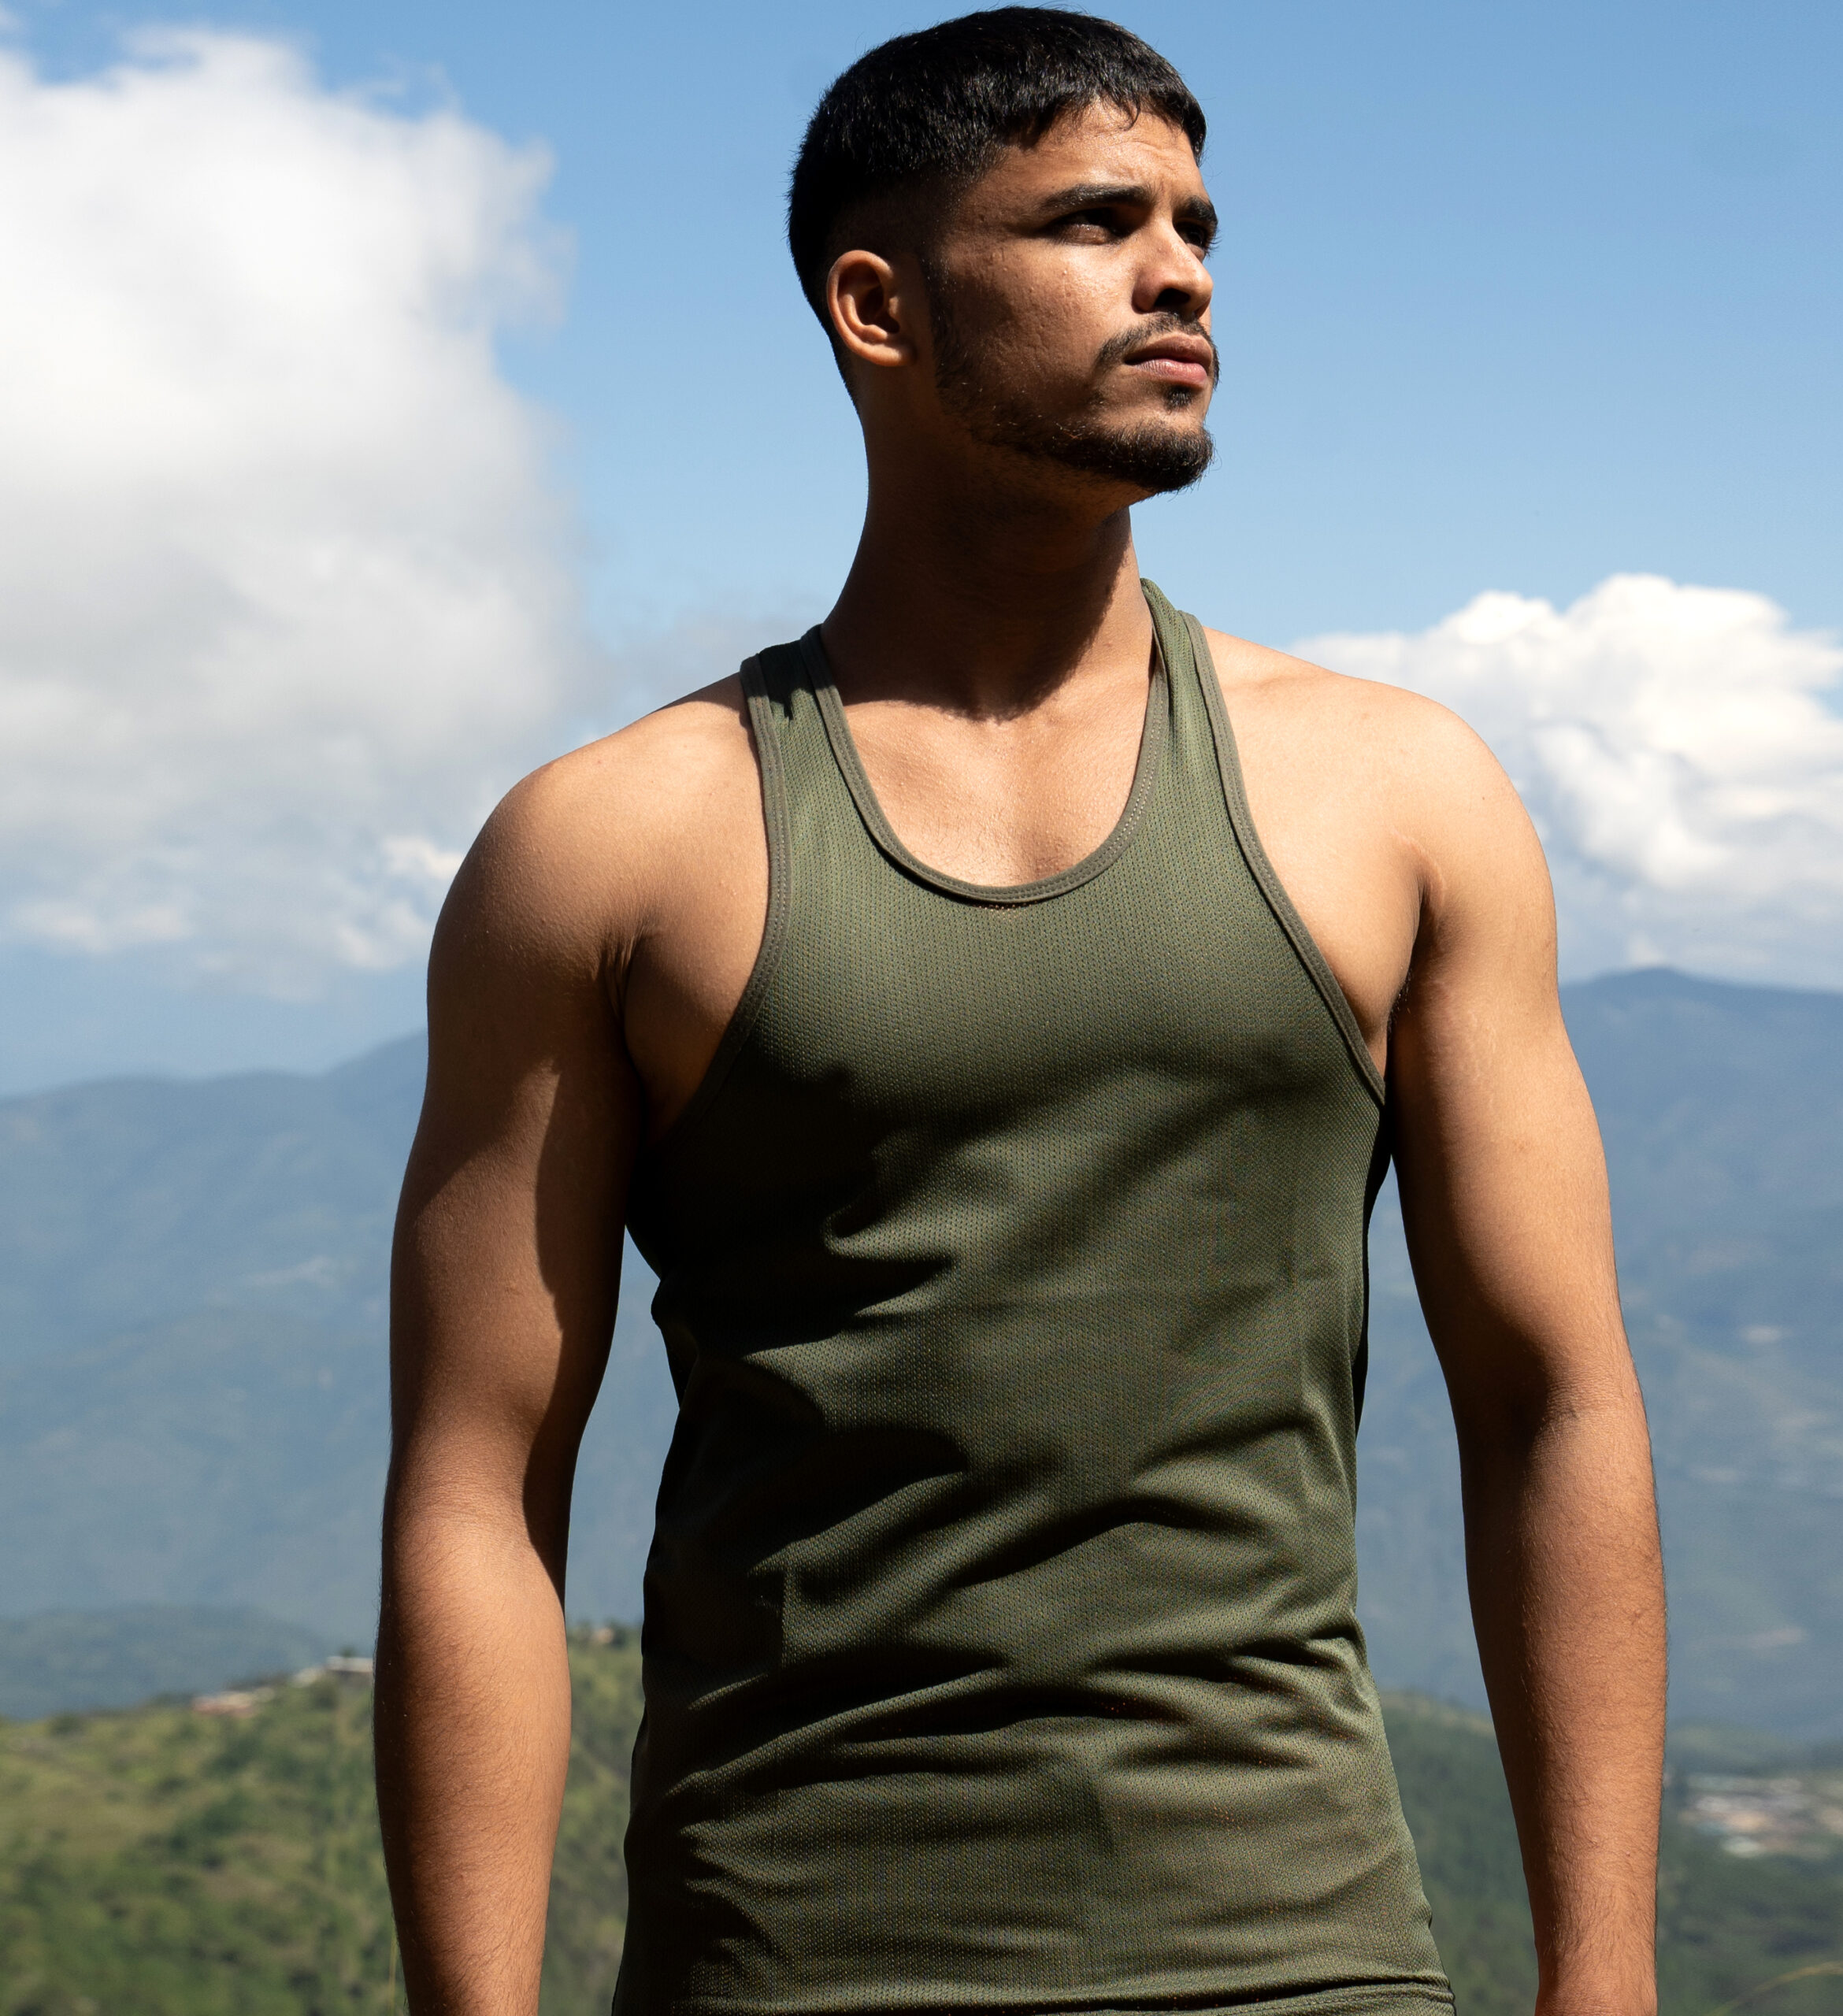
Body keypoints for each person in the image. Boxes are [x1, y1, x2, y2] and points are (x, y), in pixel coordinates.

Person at [375, 11, 1667, 2015]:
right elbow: (475, 1490)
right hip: (782, 1966)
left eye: (1195, 226)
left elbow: (1551, 1401)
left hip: (1297, 1961)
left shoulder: (1400, 798)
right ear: (876, 305)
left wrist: (1602, 1975)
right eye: (1091, 221)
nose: (1180, 273)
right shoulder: (610, 847)